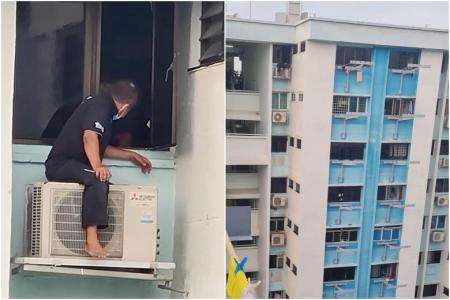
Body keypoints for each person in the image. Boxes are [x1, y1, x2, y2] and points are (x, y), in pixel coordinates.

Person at [45, 80, 152, 258]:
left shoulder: (104, 110)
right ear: (125, 107)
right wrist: (97, 166)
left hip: (73, 165)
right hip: (61, 164)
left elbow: (101, 146)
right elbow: (90, 137)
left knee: (102, 184)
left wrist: (131, 155)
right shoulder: (99, 107)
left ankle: (96, 238)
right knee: (98, 179)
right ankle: (91, 242)